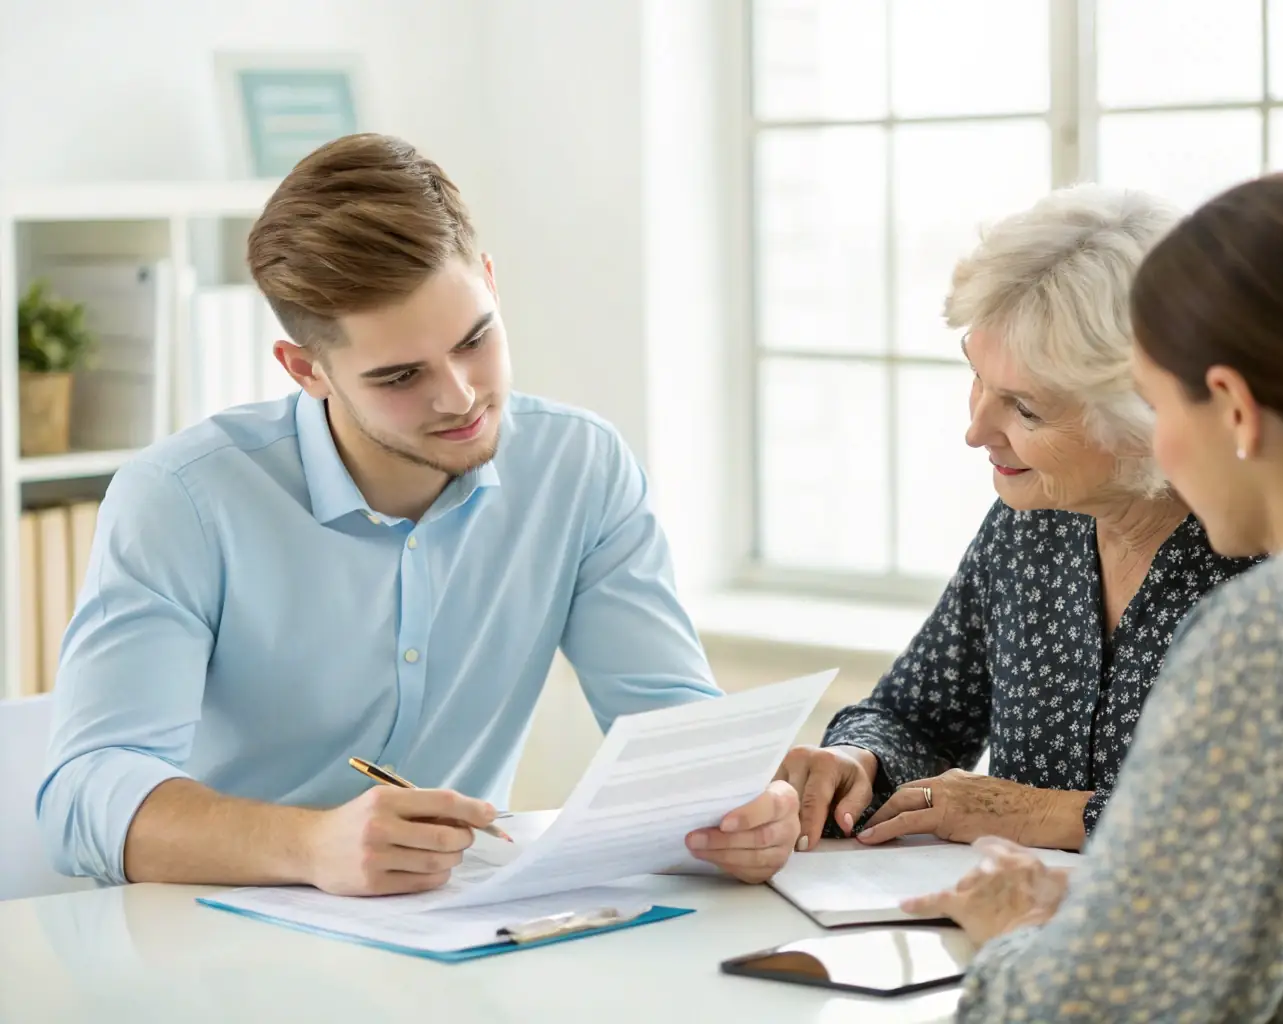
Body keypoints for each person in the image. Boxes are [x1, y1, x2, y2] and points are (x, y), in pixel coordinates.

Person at [36, 133, 799, 894]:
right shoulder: (181, 500)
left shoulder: (580, 468)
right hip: (209, 943)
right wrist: (310, 846)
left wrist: (738, 814)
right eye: (401, 375)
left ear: (491, 285)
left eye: (475, 340)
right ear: (308, 370)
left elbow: (676, 737)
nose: (459, 396)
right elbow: (83, 798)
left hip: (457, 932)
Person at [905, 168, 1283, 1022]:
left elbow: (1090, 1009)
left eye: (1156, 400)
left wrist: (1011, 934)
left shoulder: (1270, 634)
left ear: (1230, 407)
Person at [779, 184, 1261, 854]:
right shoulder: (1033, 522)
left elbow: (1263, 831)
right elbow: (914, 715)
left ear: (1144, 412)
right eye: (976, 376)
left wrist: (1042, 814)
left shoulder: (1278, 558)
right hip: (1004, 933)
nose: (975, 432)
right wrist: (857, 761)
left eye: (1025, 409)